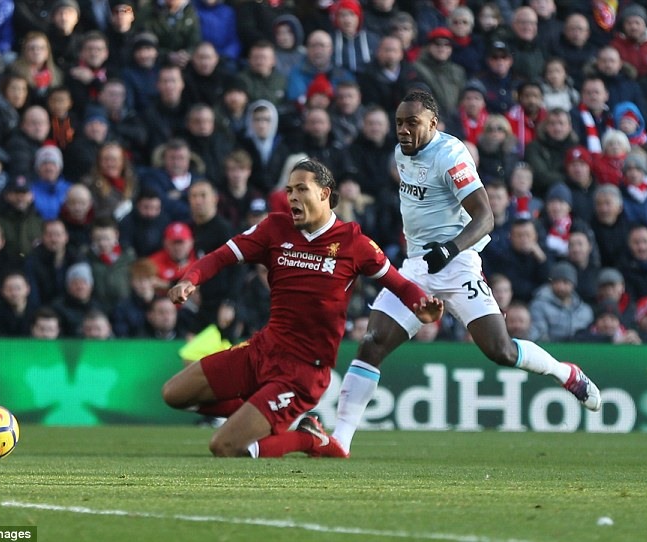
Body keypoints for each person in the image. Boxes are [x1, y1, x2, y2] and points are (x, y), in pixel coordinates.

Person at [330, 91, 601, 457]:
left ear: (433, 124)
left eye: (412, 123)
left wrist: (451, 249)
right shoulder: (400, 153)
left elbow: (485, 217)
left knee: (500, 351)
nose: (403, 131)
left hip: (456, 263)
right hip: (417, 266)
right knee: (372, 341)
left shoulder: (451, 155)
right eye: (399, 123)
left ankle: (564, 372)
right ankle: (339, 441)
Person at [162, 159, 443, 458]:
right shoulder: (274, 228)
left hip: (303, 372)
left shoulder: (353, 242)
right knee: (174, 394)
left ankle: (310, 440)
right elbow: (220, 257)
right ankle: (262, 413)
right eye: (289, 190)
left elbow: (399, 284)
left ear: (324, 193)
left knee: (225, 446)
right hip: (262, 351)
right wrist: (189, 280)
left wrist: (420, 305)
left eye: (301, 189)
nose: (292, 197)